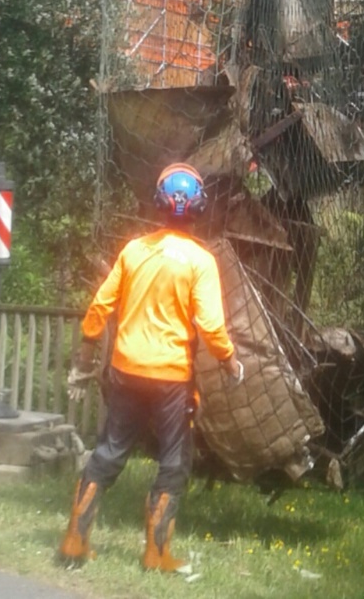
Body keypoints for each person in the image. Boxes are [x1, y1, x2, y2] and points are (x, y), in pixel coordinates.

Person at [58, 163, 242, 572]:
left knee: (107, 453)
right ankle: (156, 555)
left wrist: (88, 351)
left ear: (159, 203)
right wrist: (230, 361)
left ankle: (74, 543)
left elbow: (100, 306)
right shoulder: (200, 261)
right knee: (173, 462)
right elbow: (211, 326)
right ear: (199, 207)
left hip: (125, 372)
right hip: (172, 380)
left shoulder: (134, 251)